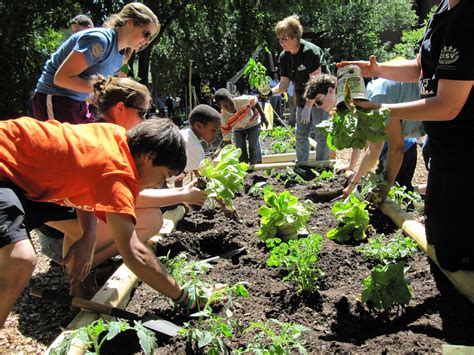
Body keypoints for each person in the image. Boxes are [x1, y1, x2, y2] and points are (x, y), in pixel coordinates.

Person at [0, 117, 213, 328]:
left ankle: (78, 280)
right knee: (20, 260)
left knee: (37, 244)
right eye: (163, 176)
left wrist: (88, 234)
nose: (159, 185)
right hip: (5, 166)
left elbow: (84, 176)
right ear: (150, 156)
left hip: (23, 179)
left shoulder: (116, 137)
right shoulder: (118, 173)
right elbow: (135, 254)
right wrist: (185, 297)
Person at [337, 0, 474, 271]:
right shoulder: (444, 9)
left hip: (466, 153)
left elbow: (449, 105)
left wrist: (383, 110)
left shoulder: (469, 20)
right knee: (437, 240)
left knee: (456, 253)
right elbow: (421, 68)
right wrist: (376, 69)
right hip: (444, 147)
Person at [36, 75, 208, 290]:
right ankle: (78, 270)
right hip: (53, 233)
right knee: (143, 221)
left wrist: (182, 193)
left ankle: (86, 266)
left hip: (64, 215)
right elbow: (126, 199)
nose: (145, 121)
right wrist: (181, 295)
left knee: (149, 218)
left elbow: (121, 196)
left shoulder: (115, 136)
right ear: (120, 108)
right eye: (141, 113)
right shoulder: (111, 149)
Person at [32, 2, 159, 125]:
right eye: (146, 34)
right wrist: (105, 89)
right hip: (56, 99)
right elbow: (61, 78)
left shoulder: (120, 56)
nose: (147, 41)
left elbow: (92, 89)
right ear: (130, 23)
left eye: (150, 37)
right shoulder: (100, 41)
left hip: (78, 104)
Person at [342, 79, 425, 198]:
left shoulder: (377, 101)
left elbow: (396, 148)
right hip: (410, 137)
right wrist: (353, 184)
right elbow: (373, 149)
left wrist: (384, 190)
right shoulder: (370, 95)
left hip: (431, 130)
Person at [268, 15, 331, 164]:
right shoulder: (284, 56)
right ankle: (301, 164)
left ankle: (322, 165)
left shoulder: (310, 52)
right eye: (280, 39)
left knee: (321, 133)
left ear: (296, 37)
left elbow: (316, 82)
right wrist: (270, 92)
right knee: (301, 134)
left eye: (285, 38)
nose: (282, 42)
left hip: (321, 96)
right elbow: (284, 84)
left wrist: (309, 107)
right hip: (302, 96)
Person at [214, 88, 268, 165]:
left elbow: (254, 100)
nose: (230, 107)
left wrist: (263, 115)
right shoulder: (223, 117)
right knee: (240, 148)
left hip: (253, 123)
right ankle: (244, 165)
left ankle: (256, 164)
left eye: (231, 103)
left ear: (232, 99)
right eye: (226, 106)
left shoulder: (242, 100)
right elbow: (226, 134)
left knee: (254, 145)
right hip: (238, 129)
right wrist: (230, 152)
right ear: (221, 106)